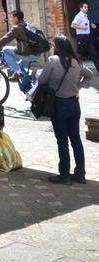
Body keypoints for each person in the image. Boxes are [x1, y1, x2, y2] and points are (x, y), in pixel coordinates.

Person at [36, 34, 93, 184]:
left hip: (59, 104)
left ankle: (64, 175)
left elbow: (42, 80)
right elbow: (90, 75)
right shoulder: (77, 62)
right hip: (74, 104)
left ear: (58, 48)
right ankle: (80, 174)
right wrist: (77, 88)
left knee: (62, 141)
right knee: (76, 139)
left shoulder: (53, 61)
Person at [0, 9, 38, 77]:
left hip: (28, 55)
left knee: (5, 49)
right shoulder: (28, 25)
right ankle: (24, 78)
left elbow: (4, 39)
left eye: (12, 17)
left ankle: (18, 73)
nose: (11, 19)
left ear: (16, 18)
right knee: (15, 53)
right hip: (37, 54)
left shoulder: (17, 28)